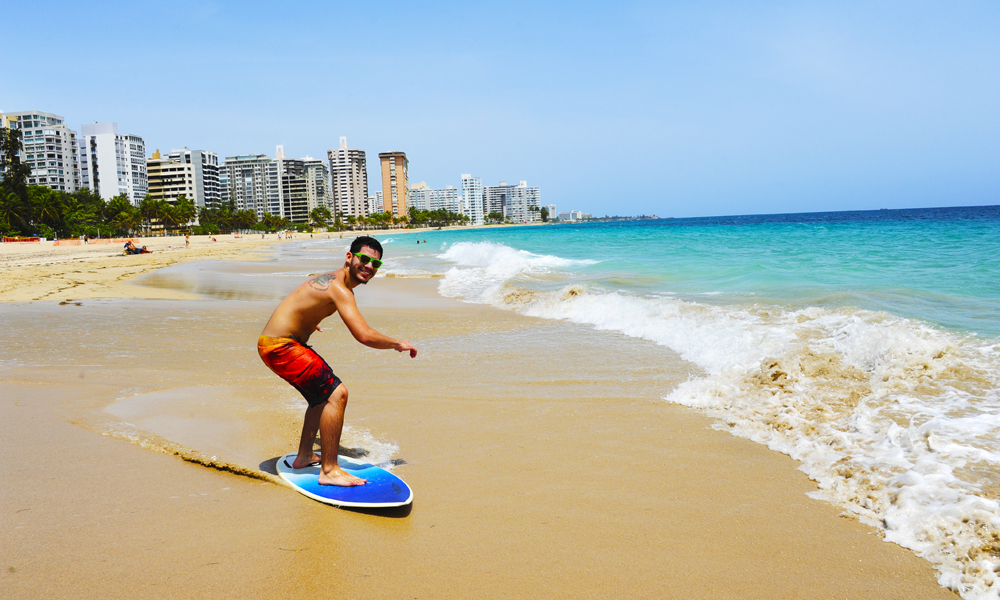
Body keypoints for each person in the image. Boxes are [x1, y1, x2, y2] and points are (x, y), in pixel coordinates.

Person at [258, 235, 417, 486]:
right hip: (281, 347)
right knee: (337, 394)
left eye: (376, 264)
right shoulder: (341, 289)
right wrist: (397, 343)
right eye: (364, 259)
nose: (369, 267)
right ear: (349, 257)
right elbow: (363, 336)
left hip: (278, 343)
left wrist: (309, 320)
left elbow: (301, 299)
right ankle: (329, 470)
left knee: (320, 397)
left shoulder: (331, 280)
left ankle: (304, 456)